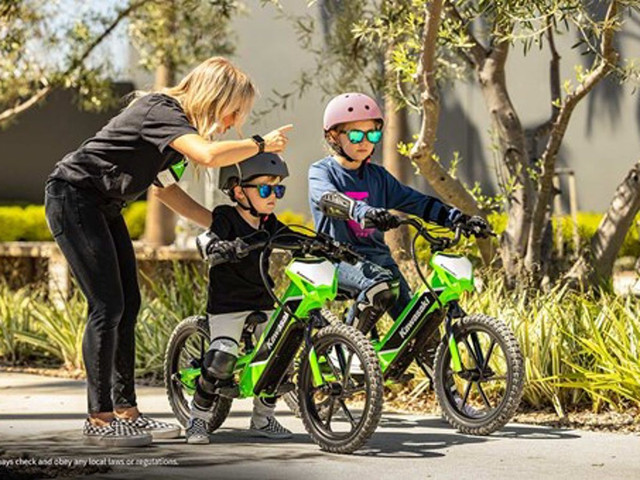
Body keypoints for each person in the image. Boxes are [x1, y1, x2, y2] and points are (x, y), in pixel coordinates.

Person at [43, 56, 293, 447]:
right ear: (215, 96)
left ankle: (126, 412)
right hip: (73, 197)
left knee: (129, 302)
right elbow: (208, 156)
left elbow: (168, 190)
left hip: (103, 206)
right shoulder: (160, 110)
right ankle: (99, 417)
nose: (231, 124)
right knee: (107, 306)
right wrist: (261, 143)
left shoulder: (174, 132)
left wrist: (226, 226)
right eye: (233, 114)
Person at [308, 92, 487, 335]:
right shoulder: (321, 172)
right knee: (379, 286)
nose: (365, 141)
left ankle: (423, 365)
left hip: (379, 260)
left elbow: (417, 202)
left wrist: (456, 218)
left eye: (372, 134)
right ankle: (344, 349)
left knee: (417, 326)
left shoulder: (378, 177)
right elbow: (327, 198)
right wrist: (364, 212)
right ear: (333, 136)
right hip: (338, 260)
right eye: (356, 134)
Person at [185, 152, 294, 444]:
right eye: (265, 189)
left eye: (278, 189)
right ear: (238, 191)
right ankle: (198, 418)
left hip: (262, 300)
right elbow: (208, 238)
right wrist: (218, 247)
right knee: (222, 358)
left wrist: (323, 245)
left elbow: (292, 237)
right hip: (228, 306)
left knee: (281, 352)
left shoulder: (269, 223)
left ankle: (262, 419)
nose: (273, 196)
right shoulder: (226, 217)